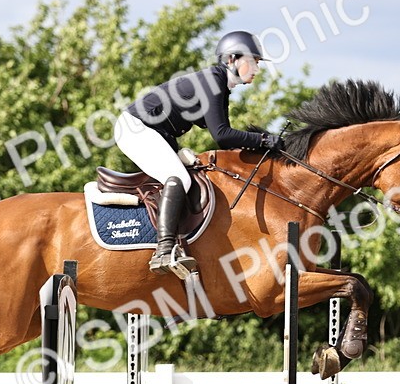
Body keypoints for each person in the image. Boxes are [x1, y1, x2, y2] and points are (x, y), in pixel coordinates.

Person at [115, 30, 284, 275]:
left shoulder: (220, 85)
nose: (257, 69)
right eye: (253, 61)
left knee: (190, 172)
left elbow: (224, 139)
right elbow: (223, 135)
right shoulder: (213, 82)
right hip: (135, 128)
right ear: (231, 60)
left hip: (156, 133)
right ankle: (164, 250)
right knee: (180, 178)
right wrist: (264, 139)